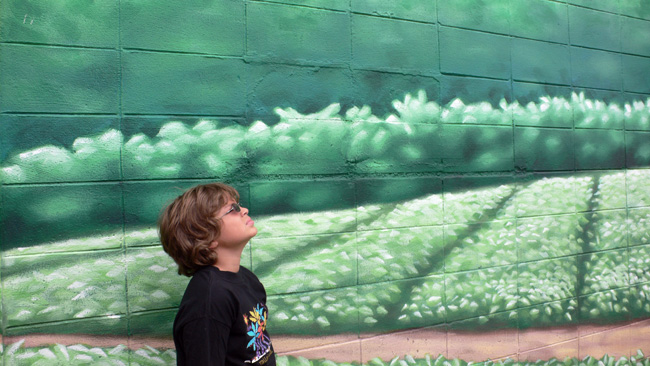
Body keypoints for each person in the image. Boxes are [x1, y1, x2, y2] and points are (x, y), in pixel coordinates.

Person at [158, 183, 275, 366]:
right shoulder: (210, 298)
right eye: (232, 209)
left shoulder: (247, 278)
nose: (244, 209)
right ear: (207, 236)